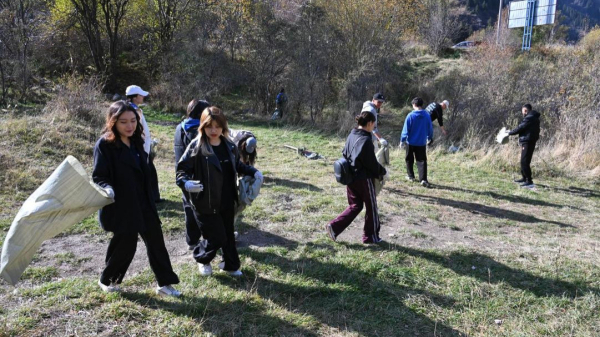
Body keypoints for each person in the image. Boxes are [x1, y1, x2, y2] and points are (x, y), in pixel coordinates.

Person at [93, 101, 181, 297]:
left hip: (144, 202)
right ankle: (107, 280)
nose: (129, 126)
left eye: (133, 120)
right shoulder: (105, 145)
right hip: (122, 205)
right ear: (113, 122)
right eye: (123, 121)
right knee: (125, 244)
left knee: (156, 242)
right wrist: (107, 189)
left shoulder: (137, 141)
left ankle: (165, 283)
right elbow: (99, 176)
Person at [176, 107, 262, 276]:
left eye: (217, 126)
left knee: (228, 235)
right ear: (202, 127)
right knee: (215, 236)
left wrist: (253, 172)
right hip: (204, 201)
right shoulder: (197, 146)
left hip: (227, 199)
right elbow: (181, 171)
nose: (213, 130)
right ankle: (203, 259)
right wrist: (186, 183)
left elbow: (237, 165)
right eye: (209, 126)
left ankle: (231, 265)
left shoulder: (230, 146)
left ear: (224, 126)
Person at [326, 111, 387, 244]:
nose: (374, 127)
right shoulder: (366, 140)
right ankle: (370, 237)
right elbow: (371, 164)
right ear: (369, 123)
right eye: (374, 125)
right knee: (372, 208)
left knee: (355, 206)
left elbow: (345, 153)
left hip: (351, 178)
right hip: (364, 179)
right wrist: (382, 171)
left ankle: (334, 227)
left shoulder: (351, 135)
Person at [174, 99, 211, 250]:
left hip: (183, 175)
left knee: (188, 207)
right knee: (205, 209)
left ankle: (192, 240)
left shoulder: (179, 127)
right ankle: (208, 238)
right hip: (200, 176)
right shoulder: (199, 130)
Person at [125, 85, 163, 203]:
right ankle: (150, 198)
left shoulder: (134, 109)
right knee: (147, 172)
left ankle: (153, 197)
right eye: (141, 95)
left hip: (142, 146)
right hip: (139, 147)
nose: (143, 97)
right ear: (135, 97)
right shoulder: (132, 111)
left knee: (150, 172)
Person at [401, 97, 433, 187]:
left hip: (410, 142)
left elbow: (406, 129)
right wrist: (429, 137)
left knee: (409, 159)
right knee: (422, 160)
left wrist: (402, 139)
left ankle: (410, 176)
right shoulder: (427, 115)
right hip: (421, 142)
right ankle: (423, 179)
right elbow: (430, 128)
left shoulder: (410, 115)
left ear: (414, 105)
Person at [508, 103, 541, 188]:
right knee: (524, 161)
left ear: (525, 110)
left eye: (523, 111)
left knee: (524, 161)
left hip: (528, 141)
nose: (522, 113)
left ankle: (529, 181)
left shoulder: (529, 118)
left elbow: (520, 128)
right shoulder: (533, 117)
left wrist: (509, 133)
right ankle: (524, 178)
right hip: (529, 141)